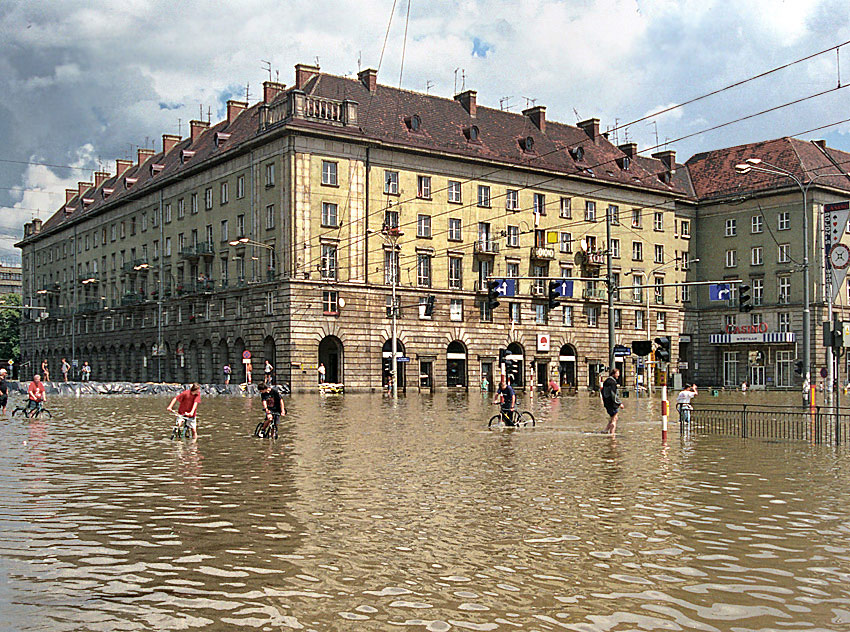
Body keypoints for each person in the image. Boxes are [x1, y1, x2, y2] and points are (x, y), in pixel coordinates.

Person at [601, 368, 623, 434]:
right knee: (614, 419)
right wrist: (619, 403)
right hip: (612, 403)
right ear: (614, 374)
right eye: (617, 373)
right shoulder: (612, 382)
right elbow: (614, 395)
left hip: (607, 402)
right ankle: (612, 434)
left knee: (613, 417)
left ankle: (605, 430)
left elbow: (602, 392)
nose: (618, 375)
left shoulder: (606, 381)